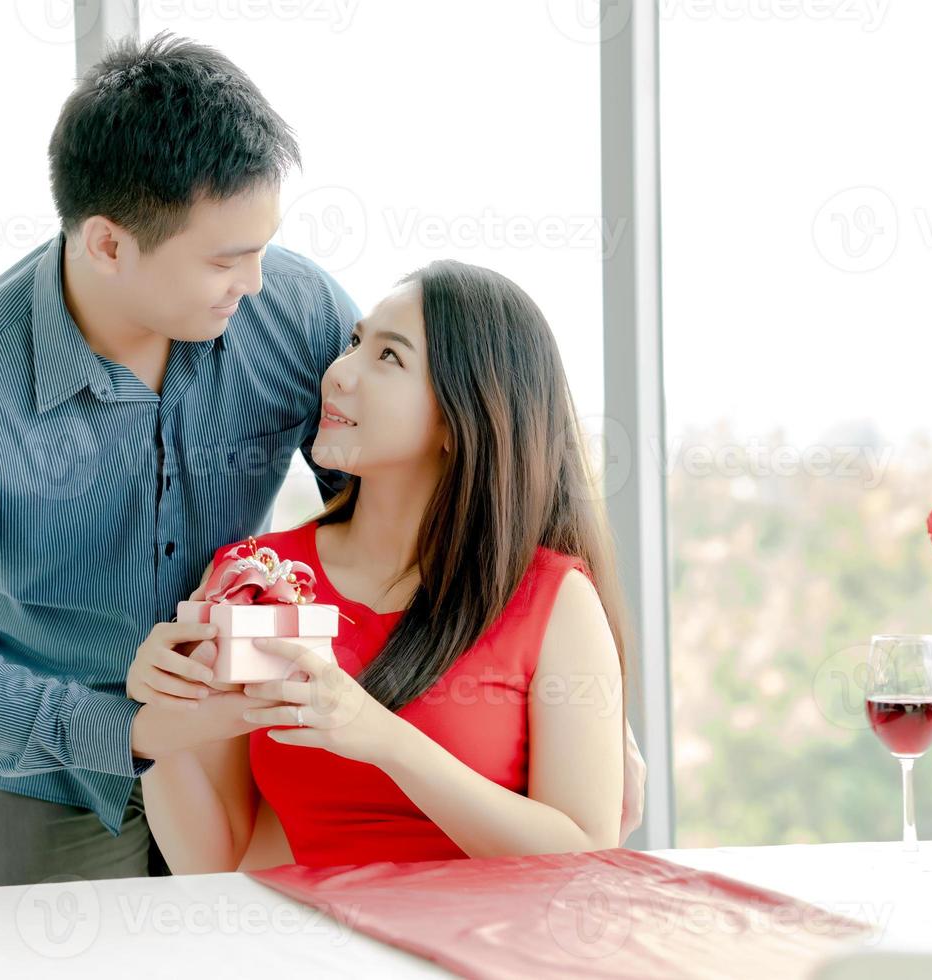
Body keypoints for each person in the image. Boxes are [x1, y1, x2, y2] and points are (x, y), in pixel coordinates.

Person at [0, 34, 358, 886]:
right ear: (106, 245)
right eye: (222, 259)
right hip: (40, 782)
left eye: (262, 247)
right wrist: (132, 728)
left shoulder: (293, 313)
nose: (257, 283)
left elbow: (403, 500)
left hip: (243, 754)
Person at [137, 261, 645, 871]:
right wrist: (162, 727)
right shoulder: (260, 576)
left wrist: (379, 737)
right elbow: (216, 859)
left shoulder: (553, 597)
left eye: (389, 358)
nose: (339, 373)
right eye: (355, 343)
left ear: (461, 420)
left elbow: (585, 854)